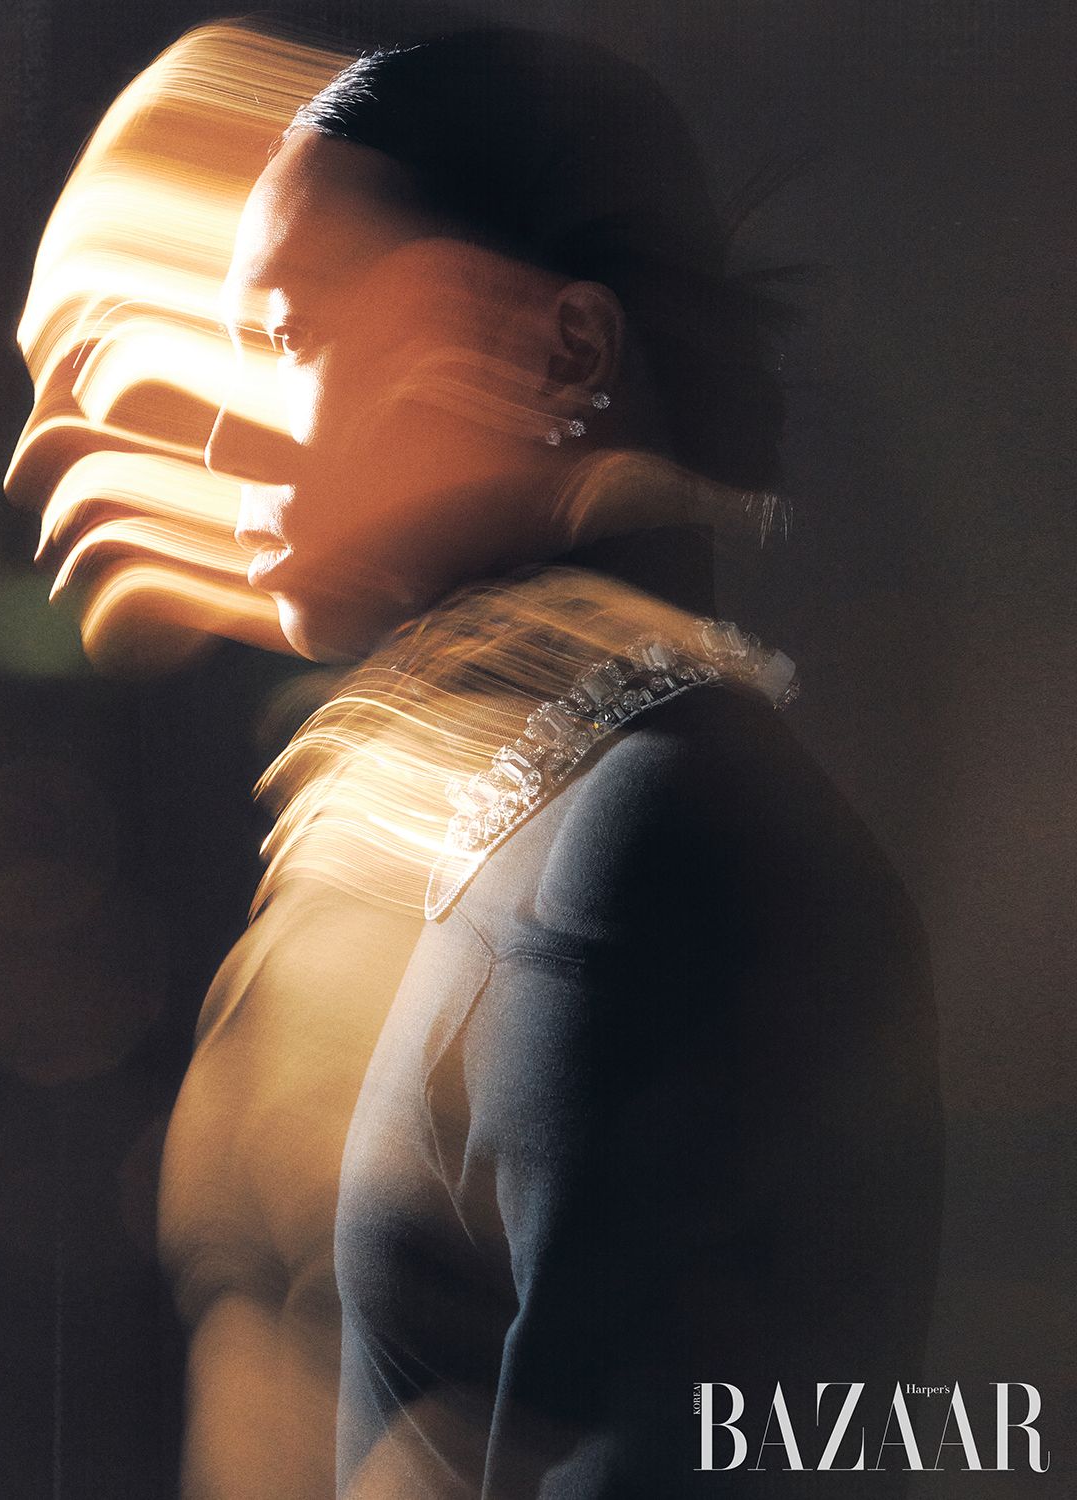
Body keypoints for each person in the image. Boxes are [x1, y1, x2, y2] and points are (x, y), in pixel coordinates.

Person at [156, 28, 944, 1499]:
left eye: (286, 337)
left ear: (562, 349)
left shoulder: (667, 847)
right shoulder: (524, 807)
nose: (217, 438)